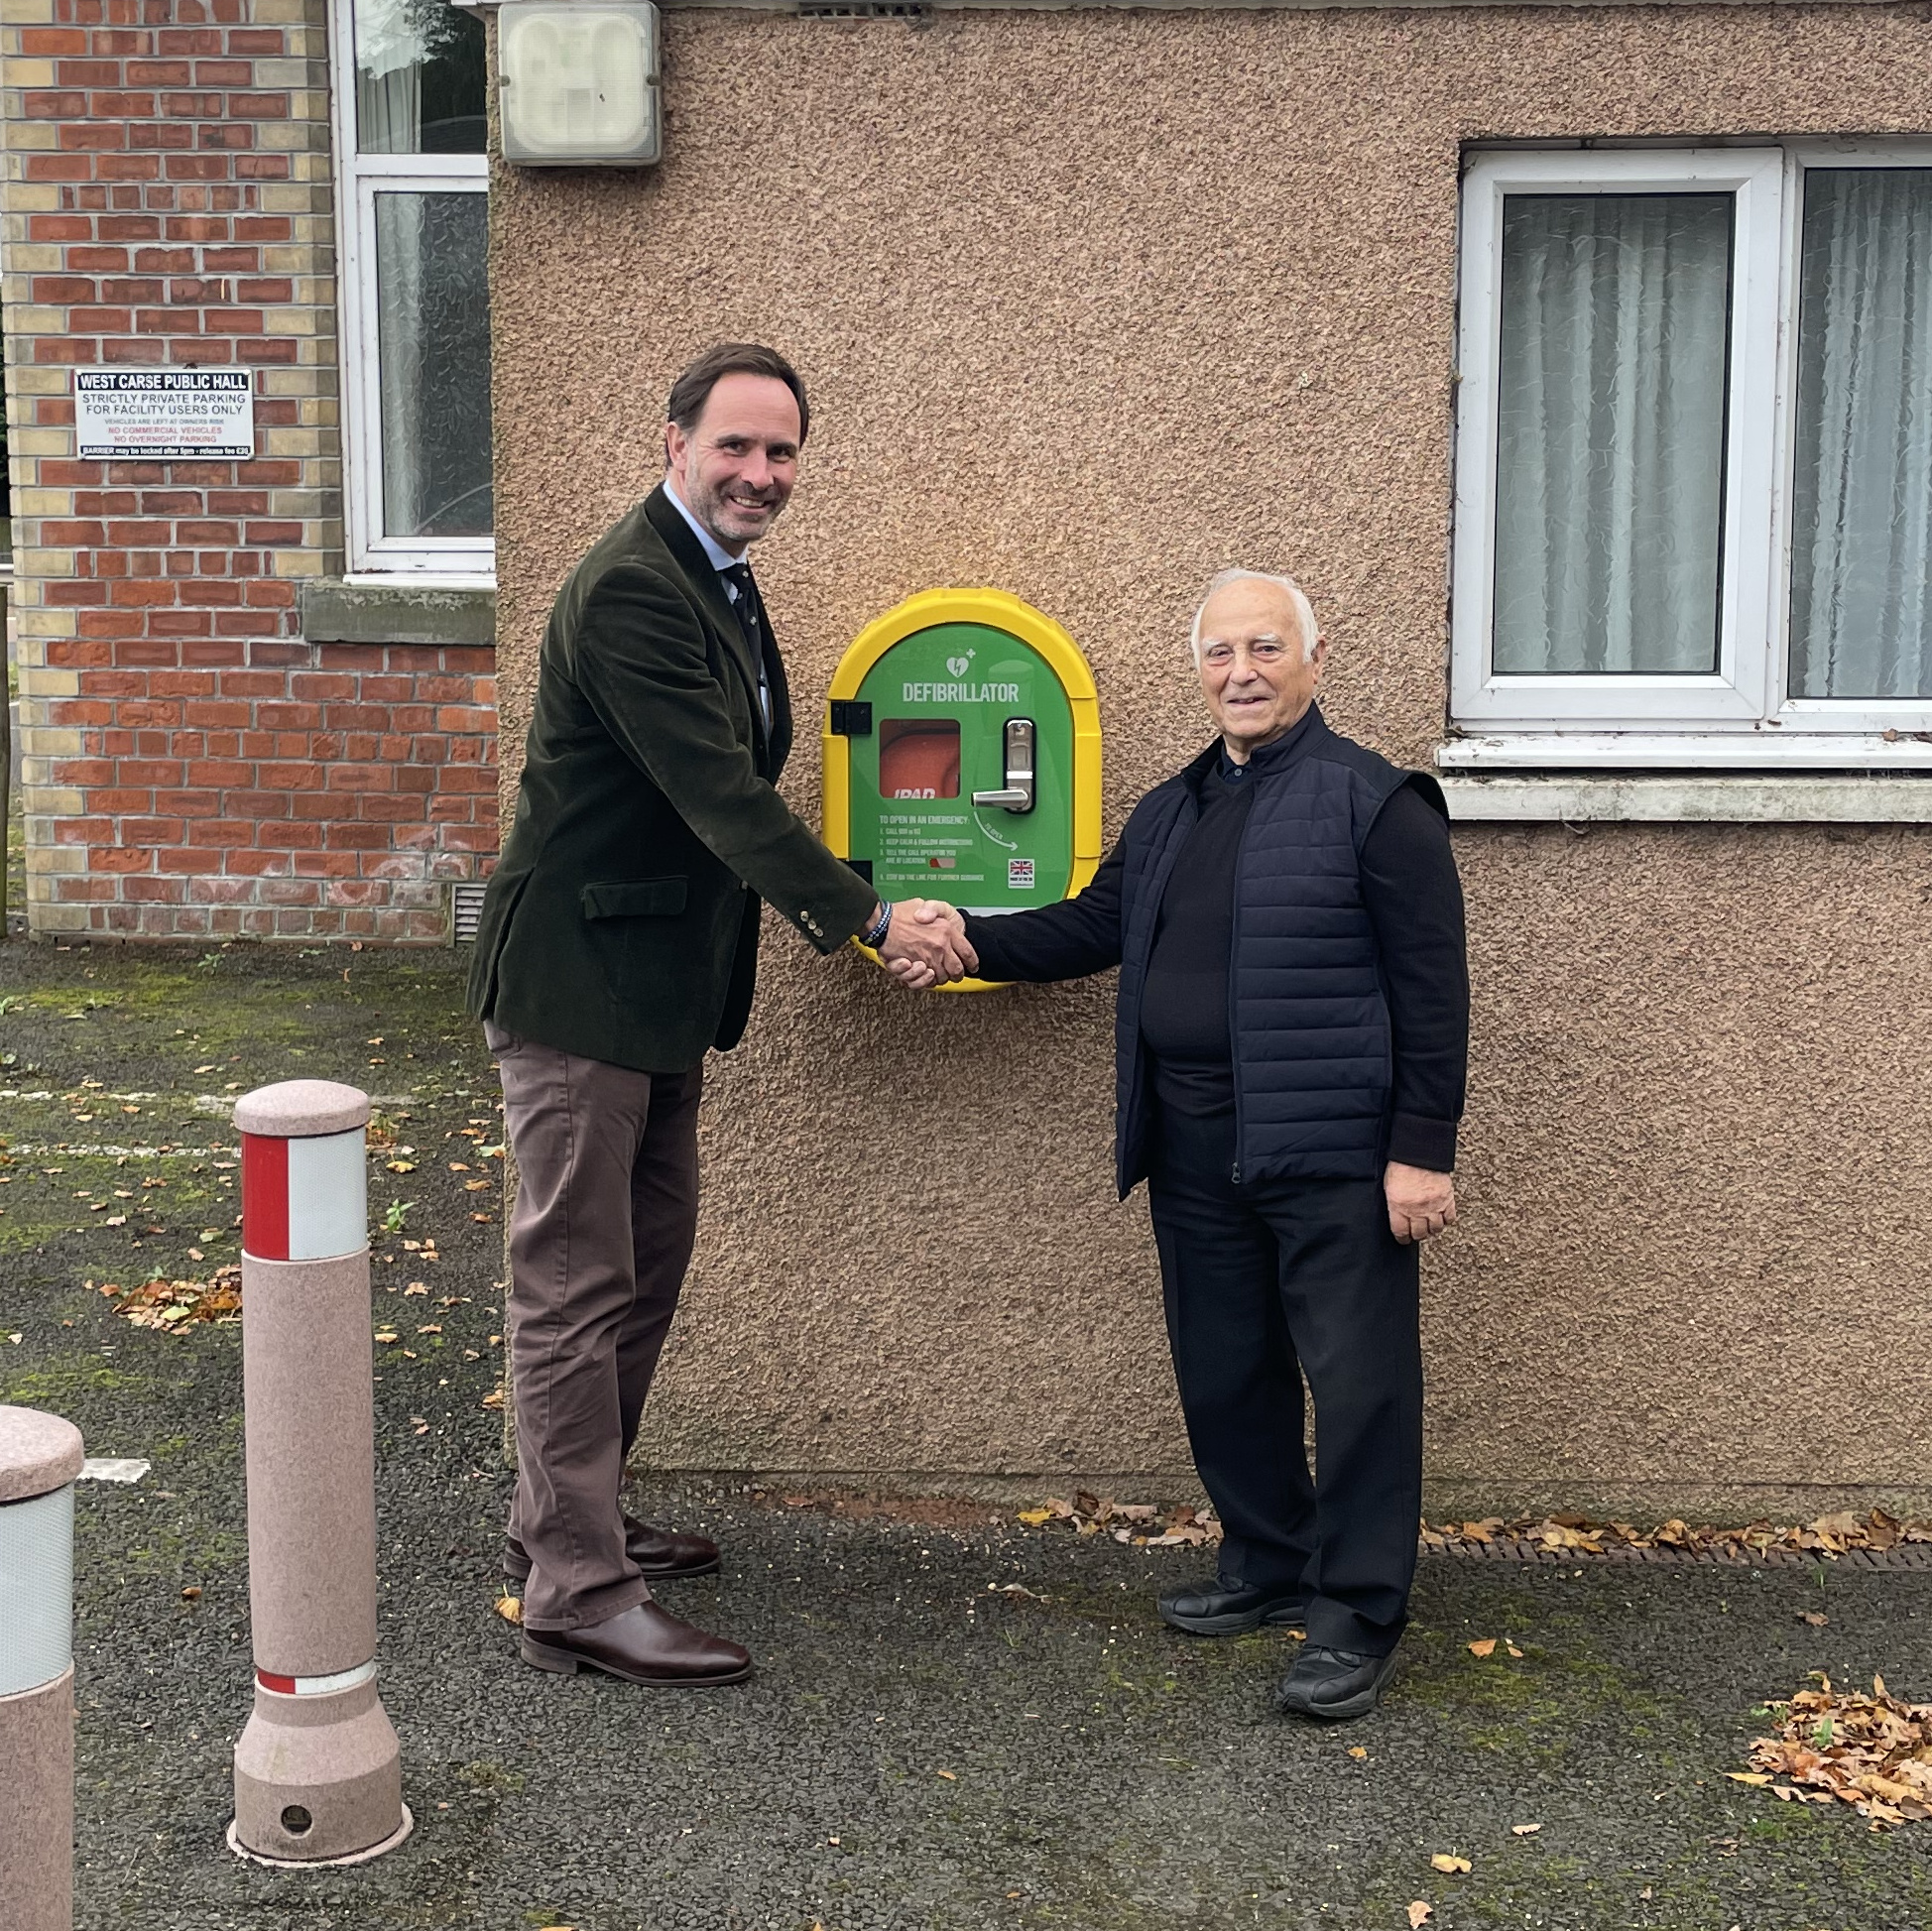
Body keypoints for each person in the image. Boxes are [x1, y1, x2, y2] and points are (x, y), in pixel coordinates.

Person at [466, 343, 975, 1688]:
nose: (761, 472)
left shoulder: (718, 577)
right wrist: (871, 917)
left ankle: (563, 1519)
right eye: (737, 446)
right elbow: (720, 794)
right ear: (675, 442)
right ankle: (577, 1586)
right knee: (575, 1283)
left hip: (656, 992)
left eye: (783, 452)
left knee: (645, 1257)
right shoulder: (638, 585)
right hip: (579, 988)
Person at [899, 569, 1467, 1722]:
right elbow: (1096, 926)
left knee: (1358, 1387)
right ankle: (1266, 1565)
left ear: (1313, 660)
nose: (1240, 673)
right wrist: (967, 944)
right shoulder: (1170, 810)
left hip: (1332, 1154)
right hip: (1196, 1143)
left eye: (1264, 649)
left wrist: (1422, 1149)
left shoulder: (1374, 801)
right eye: (1219, 653)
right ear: (1198, 668)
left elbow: (1432, 987)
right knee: (1223, 1369)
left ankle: (1355, 1611)